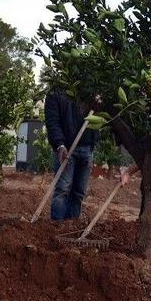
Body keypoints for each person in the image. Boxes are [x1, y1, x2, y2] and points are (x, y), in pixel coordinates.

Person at [44, 88, 97, 220]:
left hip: (87, 147)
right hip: (66, 149)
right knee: (63, 189)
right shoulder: (55, 93)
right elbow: (52, 122)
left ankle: (71, 226)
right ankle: (57, 227)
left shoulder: (89, 88)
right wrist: (59, 145)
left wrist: (98, 103)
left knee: (79, 192)